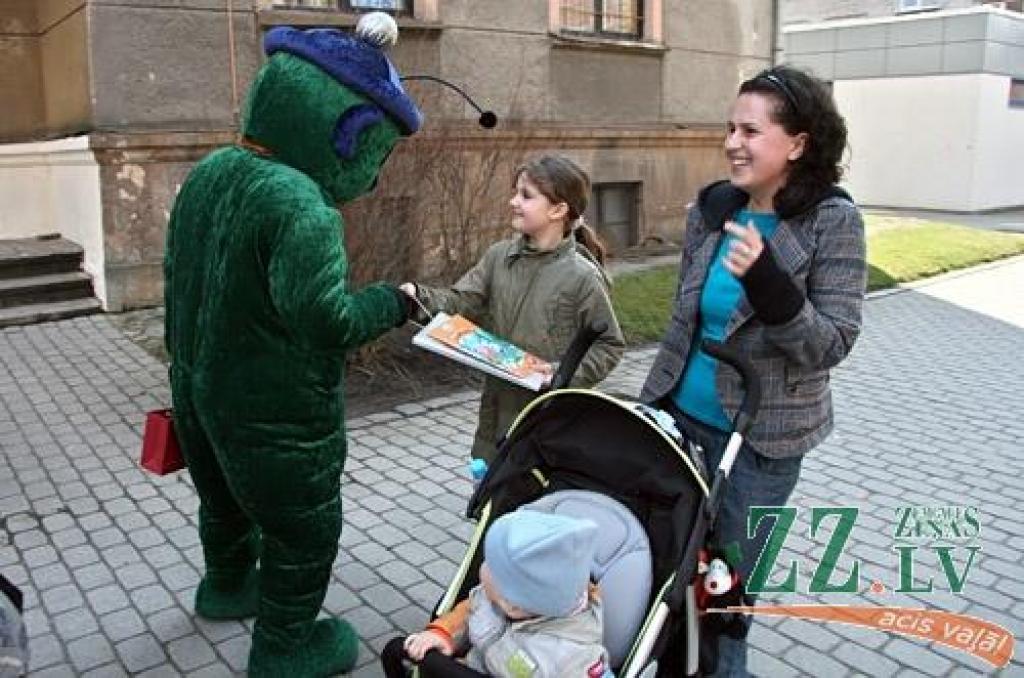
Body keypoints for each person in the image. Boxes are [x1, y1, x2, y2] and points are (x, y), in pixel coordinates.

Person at [163, 15, 421, 677]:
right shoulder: (301, 204)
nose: (374, 177)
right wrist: (395, 300)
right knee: (302, 527)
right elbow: (325, 320)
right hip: (272, 410)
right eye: (378, 154)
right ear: (351, 132)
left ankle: (224, 586)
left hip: (194, 385)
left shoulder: (212, 172)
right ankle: (285, 645)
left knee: (219, 499)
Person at [640, 65, 867, 676]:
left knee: (722, 602)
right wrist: (650, 405)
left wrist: (771, 283)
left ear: (797, 143)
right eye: (730, 128)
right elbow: (684, 320)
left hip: (759, 445)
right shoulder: (716, 210)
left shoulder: (832, 220)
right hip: (675, 422)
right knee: (659, 579)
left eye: (751, 130)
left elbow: (833, 342)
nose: (732, 143)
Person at [402, 155, 625, 462]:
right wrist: (418, 298)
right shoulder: (499, 257)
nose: (513, 201)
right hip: (495, 410)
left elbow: (609, 345)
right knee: (490, 489)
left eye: (526, 196)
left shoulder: (582, 277)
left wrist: (560, 375)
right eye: (516, 192)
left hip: (547, 418)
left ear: (558, 210)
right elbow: (461, 300)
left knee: (531, 494)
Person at [381, 510, 613, 678]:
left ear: (512, 605)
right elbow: (469, 611)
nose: (482, 567)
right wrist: (443, 635)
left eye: (490, 564)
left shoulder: (572, 658)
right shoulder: (493, 599)